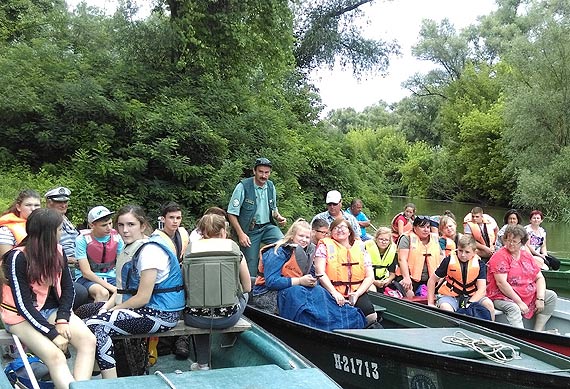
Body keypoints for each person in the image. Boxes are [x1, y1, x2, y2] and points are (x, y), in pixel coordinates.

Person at [82, 205, 185, 379]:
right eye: (121, 225)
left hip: (161, 314)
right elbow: (123, 290)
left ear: (142, 226)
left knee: (96, 325)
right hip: (142, 308)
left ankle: (111, 382)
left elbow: (143, 298)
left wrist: (115, 309)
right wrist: (105, 307)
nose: (125, 230)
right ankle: (93, 370)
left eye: (131, 225)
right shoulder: (131, 248)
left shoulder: (150, 251)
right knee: (85, 312)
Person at [0, 208, 96, 389]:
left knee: (87, 341)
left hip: (51, 310)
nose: (62, 233)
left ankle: (79, 387)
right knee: (56, 356)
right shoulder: (17, 257)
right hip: (20, 316)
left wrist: (62, 319)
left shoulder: (58, 251)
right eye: (60, 230)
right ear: (48, 233)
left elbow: (68, 288)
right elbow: (23, 305)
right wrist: (52, 334)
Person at [183, 213, 251, 371]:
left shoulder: (189, 252)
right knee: (245, 294)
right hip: (227, 318)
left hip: (195, 318)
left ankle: (202, 364)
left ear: (201, 232)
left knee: (198, 307)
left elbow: (184, 286)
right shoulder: (235, 251)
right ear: (223, 232)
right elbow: (247, 287)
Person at [486, 224, 557, 331]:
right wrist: (519, 302)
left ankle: (538, 331)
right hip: (502, 295)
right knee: (514, 308)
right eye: (508, 240)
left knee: (551, 296)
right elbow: (501, 284)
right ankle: (521, 335)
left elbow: (539, 278)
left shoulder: (526, 256)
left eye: (514, 241)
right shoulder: (500, 256)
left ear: (522, 243)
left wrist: (540, 298)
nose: (510, 244)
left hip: (526, 292)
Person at [314, 218, 380, 327]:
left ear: (349, 231)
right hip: (331, 290)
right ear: (331, 232)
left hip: (355, 291)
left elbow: (370, 277)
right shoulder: (324, 246)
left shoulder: (360, 246)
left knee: (371, 317)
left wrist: (357, 294)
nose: (339, 230)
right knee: (334, 317)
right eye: (336, 228)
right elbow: (319, 272)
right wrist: (334, 293)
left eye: (343, 227)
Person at [227, 157, 287, 275]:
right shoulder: (243, 186)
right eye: (261, 172)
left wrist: (279, 217)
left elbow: (273, 209)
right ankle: (249, 292)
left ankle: (275, 276)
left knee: (284, 245)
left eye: (266, 172)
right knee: (250, 265)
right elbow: (231, 213)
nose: (264, 176)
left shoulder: (270, 186)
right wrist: (241, 234)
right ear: (254, 171)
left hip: (267, 227)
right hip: (250, 231)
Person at [251, 218, 316, 313]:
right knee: (297, 293)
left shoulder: (305, 254)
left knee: (318, 291)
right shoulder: (277, 252)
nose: (304, 240)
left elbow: (311, 274)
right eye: (301, 236)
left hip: (292, 289)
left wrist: (312, 281)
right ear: (292, 236)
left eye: (307, 237)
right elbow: (271, 282)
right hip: (265, 293)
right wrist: (300, 281)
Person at [427, 235, 495, 321]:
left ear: (474, 252)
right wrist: (430, 303)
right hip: (451, 296)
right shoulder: (448, 261)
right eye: (460, 251)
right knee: (445, 307)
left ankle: (491, 331)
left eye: (467, 252)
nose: (463, 255)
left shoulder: (480, 264)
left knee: (489, 304)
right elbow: (432, 281)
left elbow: (482, 290)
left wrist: (469, 303)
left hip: (472, 296)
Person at [45, 186, 90, 309]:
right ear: (49, 203)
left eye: (65, 202)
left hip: (77, 266)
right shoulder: (47, 221)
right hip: (61, 268)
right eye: (59, 202)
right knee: (81, 292)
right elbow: (46, 250)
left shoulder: (65, 220)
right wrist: (72, 260)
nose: (63, 205)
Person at [75, 206, 124, 302]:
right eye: (104, 225)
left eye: (110, 223)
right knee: (103, 293)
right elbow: (86, 273)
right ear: (92, 225)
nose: (109, 228)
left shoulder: (117, 238)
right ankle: (96, 316)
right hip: (87, 278)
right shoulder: (82, 240)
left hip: (111, 276)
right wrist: (112, 288)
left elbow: (122, 264)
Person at [396, 216, 443, 298]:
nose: (426, 230)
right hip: (410, 278)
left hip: (431, 279)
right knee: (410, 295)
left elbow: (441, 257)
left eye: (428, 227)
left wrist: (440, 277)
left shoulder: (434, 239)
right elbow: (402, 259)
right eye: (422, 227)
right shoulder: (406, 238)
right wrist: (406, 278)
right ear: (414, 227)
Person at [0, 189, 41, 258]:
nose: (33, 209)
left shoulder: (44, 225)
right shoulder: (6, 230)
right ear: (18, 207)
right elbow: (6, 258)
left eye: (36, 205)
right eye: (28, 205)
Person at [365, 227, 398, 292]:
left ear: (390, 241)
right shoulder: (367, 249)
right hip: (369, 280)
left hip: (384, 280)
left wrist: (387, 280)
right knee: (372, 290)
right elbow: (361, 272)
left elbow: (392, 274)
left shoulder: (392, 252)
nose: (383, 242)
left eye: (386, 240)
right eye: (381, 239)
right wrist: (374, 282)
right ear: (376, 239)